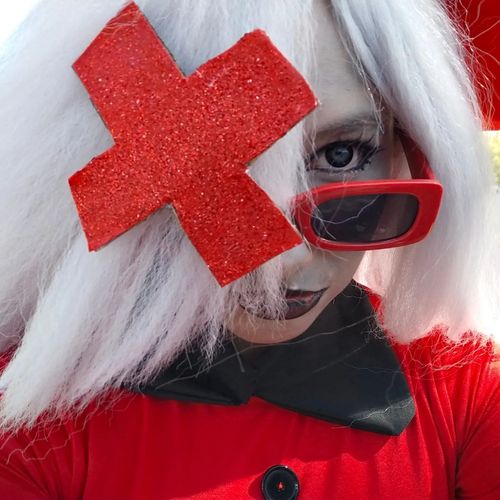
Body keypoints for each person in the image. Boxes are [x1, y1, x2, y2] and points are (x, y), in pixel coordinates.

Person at [0, 0, 498, 498]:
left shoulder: (466, 391)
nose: (281, 262)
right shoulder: (28, 420)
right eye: (210, 167)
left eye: (340, 154)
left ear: (408, 148)